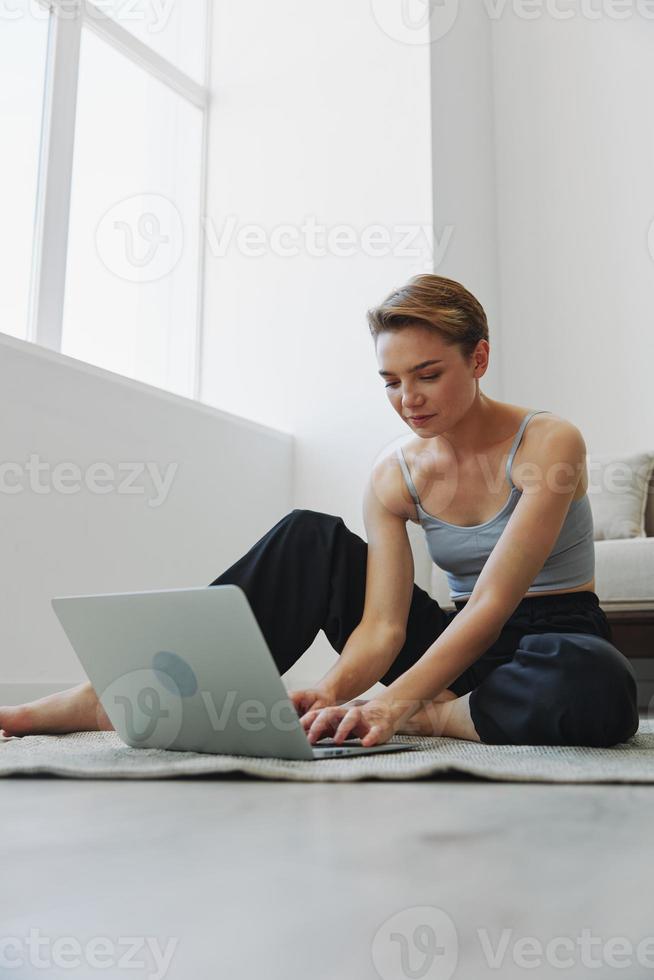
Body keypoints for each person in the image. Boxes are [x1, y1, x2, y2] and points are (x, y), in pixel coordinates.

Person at [0, 275, 639, 749]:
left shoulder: (549, 442)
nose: (408, 399)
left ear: (478, 359)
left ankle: (437, 715)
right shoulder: (396, 474)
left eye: (428, 374)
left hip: (551, 638)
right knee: (307, 535)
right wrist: (333, 691)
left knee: (599, 684)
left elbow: (494, 603)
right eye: (391, 381)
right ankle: (118, 691)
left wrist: (392, 704)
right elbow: (383, 628)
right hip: (454, 641)